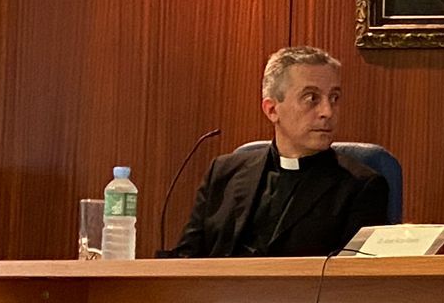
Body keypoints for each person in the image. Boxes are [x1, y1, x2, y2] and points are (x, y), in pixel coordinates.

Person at [165, 46, 391, 258]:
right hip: (219, 298)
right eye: (311, 98)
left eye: (334, 98)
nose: (327, 111)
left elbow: (354, 283)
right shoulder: (224, 174)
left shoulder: (361, 187)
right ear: (272, 109)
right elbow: (186, 260)